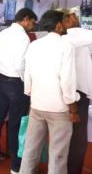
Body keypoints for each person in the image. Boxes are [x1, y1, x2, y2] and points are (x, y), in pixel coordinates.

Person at [20, 10, 80, 174]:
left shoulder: (34, 44)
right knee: (57, 154)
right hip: (59, 108)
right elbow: (67, 80)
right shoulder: (65, 45)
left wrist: (31, 94)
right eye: (65, 21)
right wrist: (73, 108)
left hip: (37, 105)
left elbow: (27, 74)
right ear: (59, 25)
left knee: (30, 149)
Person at [0, 8, 37, 174]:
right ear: (25, 19)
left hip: (2, 80)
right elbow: (21, 65)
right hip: (17, 83)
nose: (32, 26)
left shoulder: (2, 33)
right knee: (17, 123)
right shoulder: (23, 37)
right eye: (32, 22)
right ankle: (16, 165)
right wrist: (27, 83)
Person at [62, 7, 92, 174]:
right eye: (74, 16)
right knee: (78, 138)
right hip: (76, 93)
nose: (77, 18)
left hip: (68, 92)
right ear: (67, 20)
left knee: (66, 135)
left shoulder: (70, 38)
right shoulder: (74, 36)